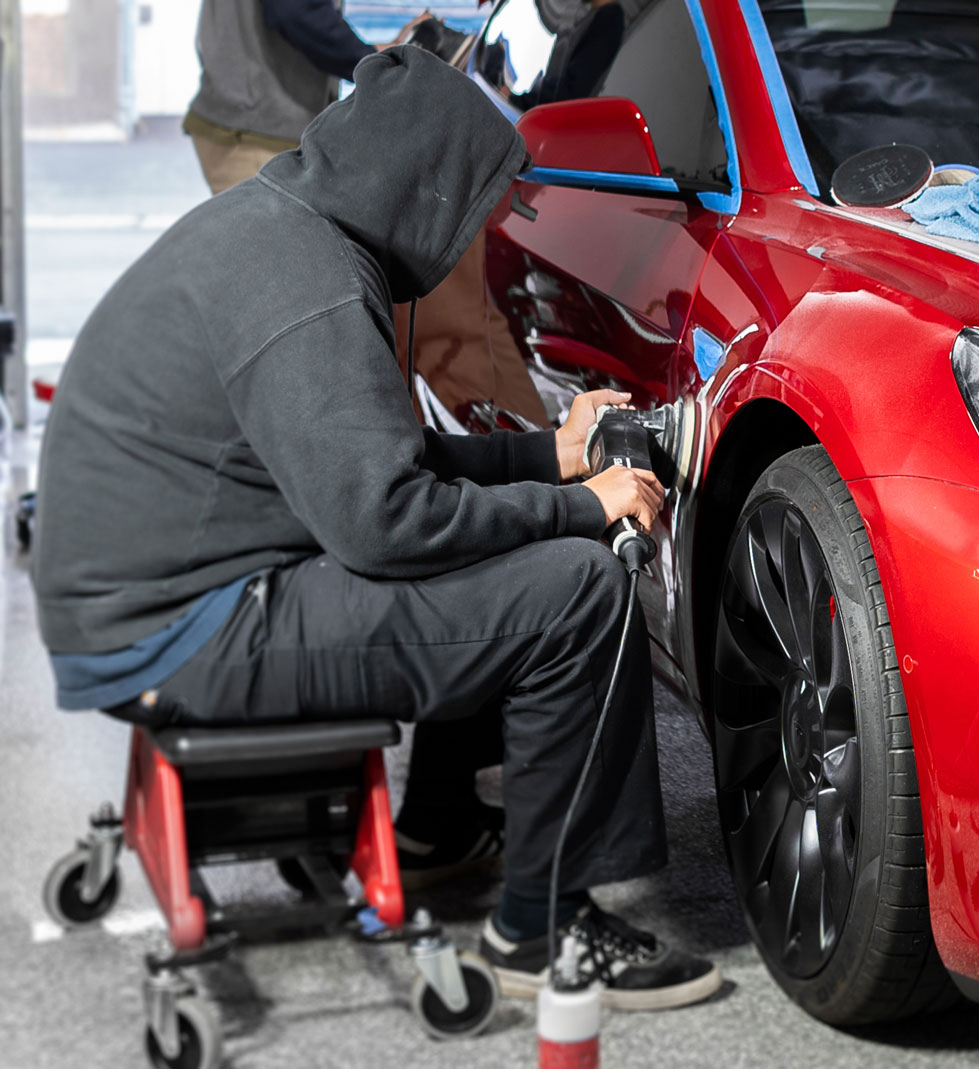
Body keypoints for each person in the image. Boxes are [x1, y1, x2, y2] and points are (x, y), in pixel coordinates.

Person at [31, 46, 719, 1010]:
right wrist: (581, 507)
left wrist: (548, 461)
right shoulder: (302, 279)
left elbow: (373, 459)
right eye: (480, 202)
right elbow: (385, 523)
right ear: (421, 186)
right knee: (576, 589)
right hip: (182, 628)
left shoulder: (287, 229)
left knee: (516, 545)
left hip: (161, 595)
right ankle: (543, 927)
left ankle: (437, 828)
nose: (482, 228)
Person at [184, 0, 427, 194]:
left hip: (238, 116)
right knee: (272, 252)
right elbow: (296, 11)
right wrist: (369, 60)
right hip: (258, 135)